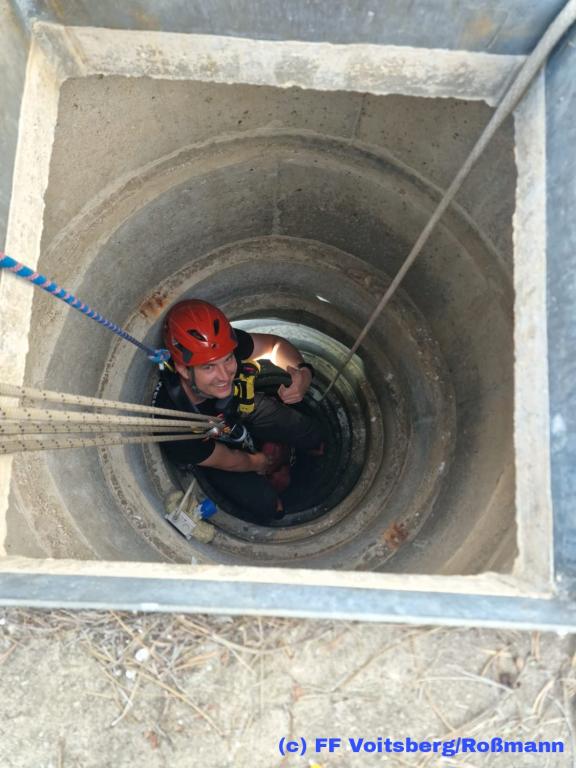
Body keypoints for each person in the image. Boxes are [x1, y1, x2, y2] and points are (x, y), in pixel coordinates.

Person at [153, 299, 323, 525]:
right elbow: (227, 460)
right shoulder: (175, 422)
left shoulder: (220, 347)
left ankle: (312, 450)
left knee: (310, 433)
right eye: (208, 367)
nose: (225, 375)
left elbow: (274, 346)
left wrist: (303, 373)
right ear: (183, 369)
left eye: (227, 360)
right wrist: (259, 462)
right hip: (208, 444)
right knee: (273, 507)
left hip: (237, 406)